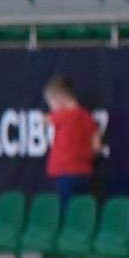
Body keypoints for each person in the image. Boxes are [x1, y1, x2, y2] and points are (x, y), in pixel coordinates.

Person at [43, 74, 101, 206]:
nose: (51, 108)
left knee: (66, 212)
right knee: (82, 210)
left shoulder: (61, 115)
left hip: (64, 173)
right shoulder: (87, 117)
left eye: (50, 104)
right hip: (84, 173)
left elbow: (45, 120)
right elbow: (97, 146)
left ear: (59, 100)